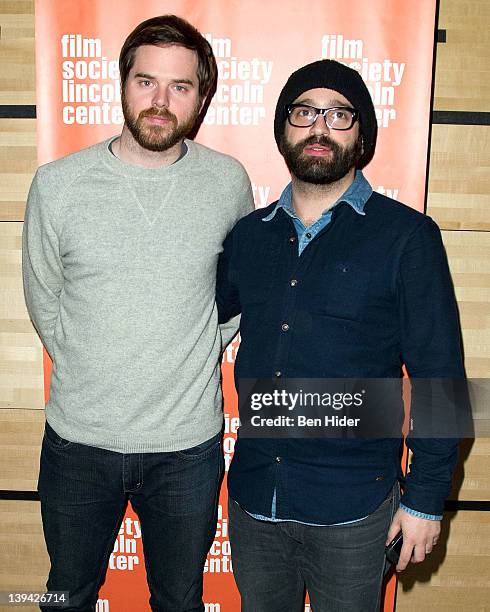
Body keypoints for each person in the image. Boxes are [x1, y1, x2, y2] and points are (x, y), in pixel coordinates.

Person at [22, 15, 253, 612]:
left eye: (179, 86)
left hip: (187, 449)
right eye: (146, 82)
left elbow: (233, 300)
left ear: (201, 98)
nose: (159, 101)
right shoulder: (59, 184)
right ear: (122, 85)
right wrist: (91, 366)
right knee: (66, 597)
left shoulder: (228, 182)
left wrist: (192, 345)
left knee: (178, 600)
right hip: (78, 443)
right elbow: (44, 296)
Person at [216, 59, 464, 611]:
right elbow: (191, 325)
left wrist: (425, 499)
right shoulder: (248, 238)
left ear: (362, 132)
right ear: (284, 128)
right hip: (256, 502)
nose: (319, 126)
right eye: (304, 112)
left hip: (354, 510)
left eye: (338, 114)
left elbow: (441, 380)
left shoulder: (408, 237)